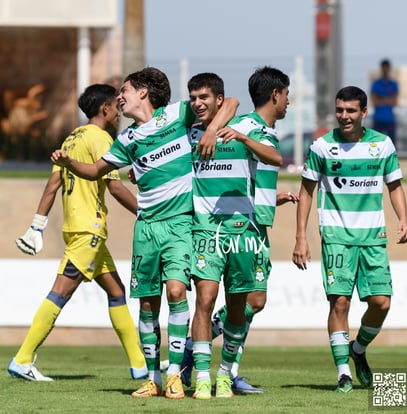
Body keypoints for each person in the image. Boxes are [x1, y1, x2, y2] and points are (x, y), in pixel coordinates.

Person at [50, 67, 238, 399]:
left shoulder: (177, 115)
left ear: (143, 93)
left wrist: (211, 131)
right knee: (148, 306)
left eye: (124, 90)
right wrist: (68, 163)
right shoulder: (127, 139)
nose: (118, 97)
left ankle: (175, 374)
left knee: (178, 292)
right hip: (146, 227)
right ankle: (152, 378)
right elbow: (95, 171)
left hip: (180, 224)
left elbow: (232, 102)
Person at [8, 83, 148, 382]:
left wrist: (37, 225)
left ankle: (139, 366)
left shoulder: (71, 138)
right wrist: (146, 212)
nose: (119, 110)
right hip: (89, 230)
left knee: (116, 292)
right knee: (60, 293)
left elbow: (53, 185)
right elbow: (115, 186)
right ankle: (22, 359)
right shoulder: (100, 138)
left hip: (78, 229)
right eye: (116, 105)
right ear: (104, 109)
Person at [181, 67, 298, 395]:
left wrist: (273, 200)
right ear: (276, 94)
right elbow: (228, 104)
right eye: (287, 95)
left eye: (203, 97)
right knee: (207, 298)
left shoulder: (254, 131)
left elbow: (253, 175)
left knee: (252, 302)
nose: (289, 101)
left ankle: (224, 368)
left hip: (251, 227)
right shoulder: (238, 126)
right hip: (215, 229)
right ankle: (208, 371)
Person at [292, 86, 407, 393]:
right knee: (340, 302)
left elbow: (395, 185)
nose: (344, 116)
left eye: (350, 111)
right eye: (340, 110)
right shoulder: (321, 146)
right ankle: (343, 372)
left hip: (373, 237)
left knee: (381, 303)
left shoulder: (382, 145)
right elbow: (306, 192)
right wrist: (301, 237)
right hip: (336, 237)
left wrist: (404, 219)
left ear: (363, 113)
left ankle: (358, 349)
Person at [370, 59, 399, 146]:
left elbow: (394, 102)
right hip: (378, 119)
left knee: (392, 145)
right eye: (384, 68)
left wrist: (381, 98)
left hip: (390, 119)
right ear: (381, 68)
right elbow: (374, 101)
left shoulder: (393, 84)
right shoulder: (376, 84)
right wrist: (388, 99)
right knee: (376, 144)